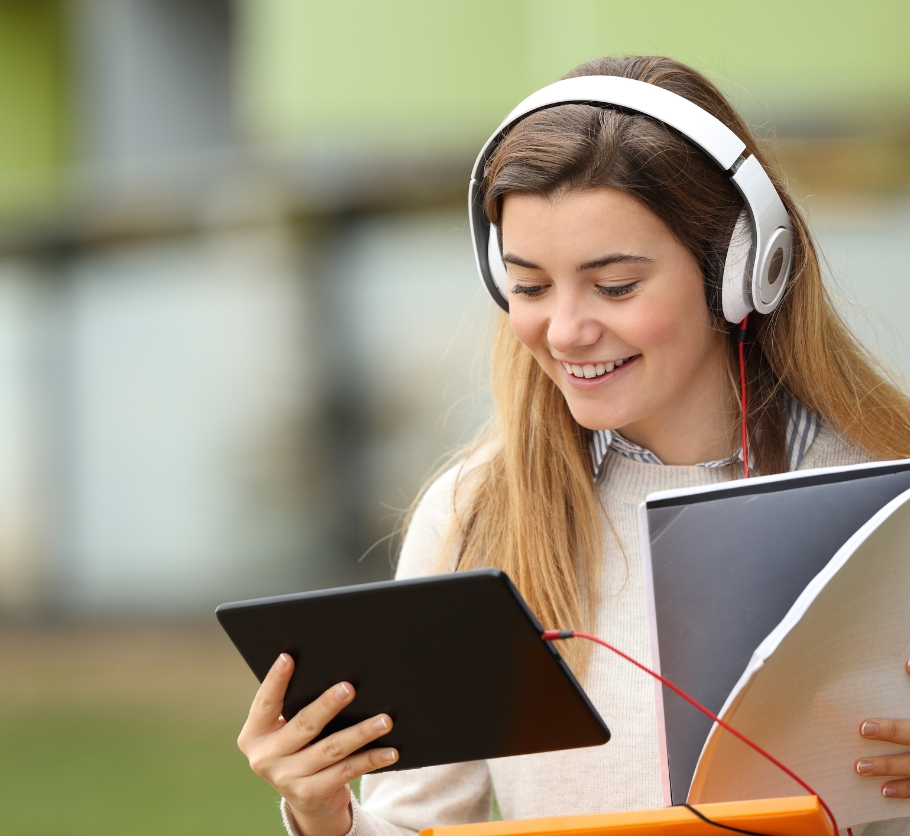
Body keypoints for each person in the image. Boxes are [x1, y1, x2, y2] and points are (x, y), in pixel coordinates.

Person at [237, 56, 910, 836]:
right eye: (529, 286)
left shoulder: (885, 493)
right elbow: (417, 826)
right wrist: (324, 814)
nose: (564, 331)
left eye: (615, 286)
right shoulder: (477, 516)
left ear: (741, 271)